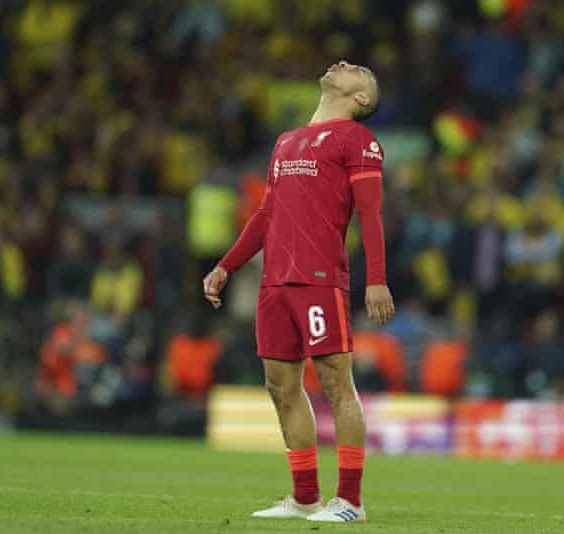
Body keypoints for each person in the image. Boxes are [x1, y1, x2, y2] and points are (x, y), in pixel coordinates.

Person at [203, 60, 394, 523]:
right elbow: (266, 215)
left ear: (361, 99)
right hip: (275, 281)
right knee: (280, 387)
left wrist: (377, 279)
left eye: (356, 69)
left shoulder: (358, 141)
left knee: (334, 382)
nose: (343, 63)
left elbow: (370, 214)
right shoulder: (286, 141)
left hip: (319, 277)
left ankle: (350, 501)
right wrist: (227, 266)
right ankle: (305, 496)